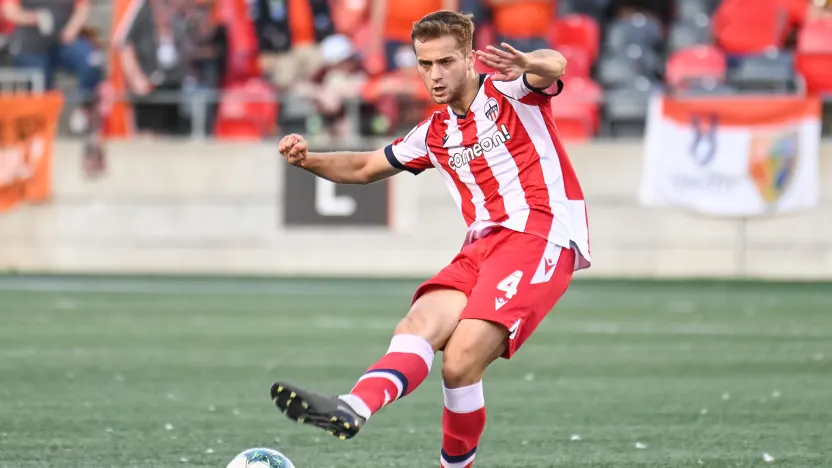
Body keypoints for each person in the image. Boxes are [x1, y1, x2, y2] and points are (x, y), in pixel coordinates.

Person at [272, 10, 591, 468]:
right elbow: (363, 168)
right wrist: (308, 160)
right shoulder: (434, 133)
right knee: (418, 324)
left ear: (469, 59)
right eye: (425, 65)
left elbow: (556, 65)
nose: (435, 75)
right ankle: (353, 406)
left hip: (539, 233)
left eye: (445, 62)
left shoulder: (511, 91)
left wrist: (530, 63)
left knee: (460, 361)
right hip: (480, 246)